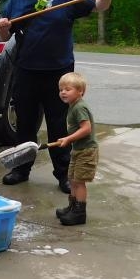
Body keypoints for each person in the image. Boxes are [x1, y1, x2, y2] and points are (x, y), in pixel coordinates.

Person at [0, 0, 114, 193]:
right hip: (26, 70)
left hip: (58, 74)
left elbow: (98, 6)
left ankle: (64, 175)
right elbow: (4, 37)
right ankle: (20, 169)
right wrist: (3, 29)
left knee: (59, 124)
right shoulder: (16, 0)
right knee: (25, 122)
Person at [54, 72, 98, 225]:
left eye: (68, 89)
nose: (63, 92)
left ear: (80, 91)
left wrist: (68, 139)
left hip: (87, 151)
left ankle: (79, 213)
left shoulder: (79, 107)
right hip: (79, 149)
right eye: (61, 89)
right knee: (72, 179)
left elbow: (86, 129)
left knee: (79, 181)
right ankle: (72, 207)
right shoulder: (73, 106)